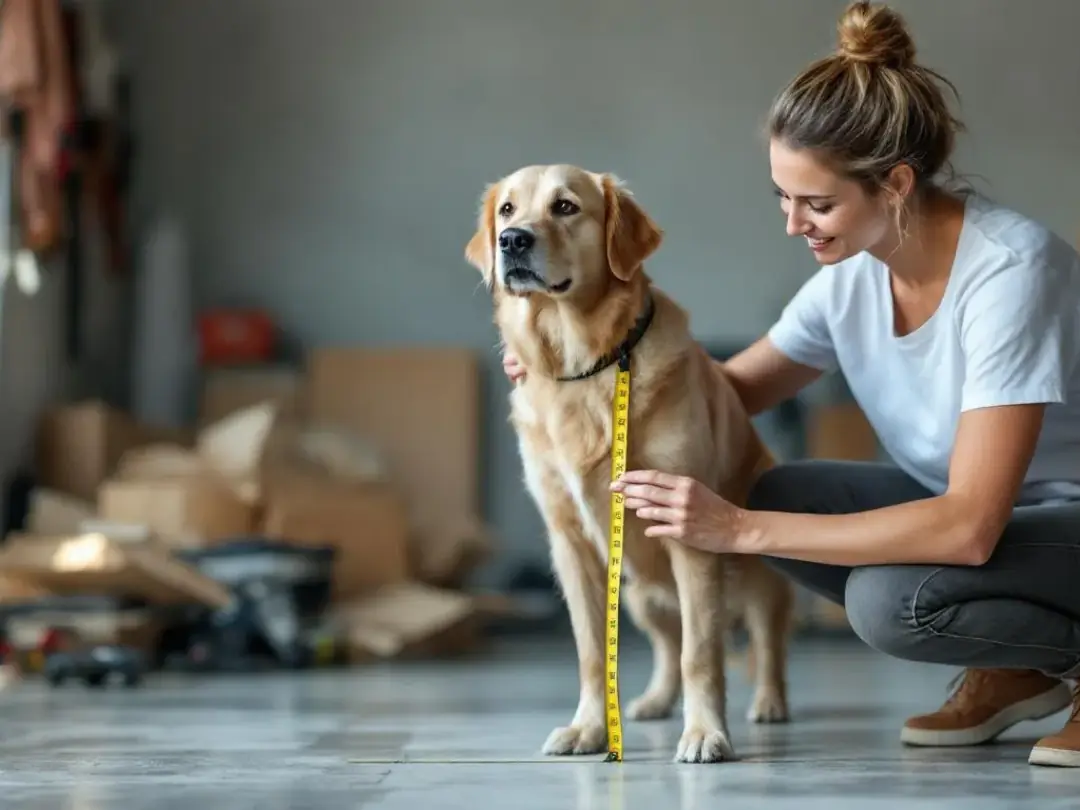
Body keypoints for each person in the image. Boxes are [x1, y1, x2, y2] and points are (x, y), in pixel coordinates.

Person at [501, 0, 1080, 768]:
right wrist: (581, 371)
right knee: (782, 494)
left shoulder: (1010, 273)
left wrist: (736, 531)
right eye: (783, 197)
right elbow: (723, 395)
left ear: (896, 184)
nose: (793, 223)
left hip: (1050, 520)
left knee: (890, 602)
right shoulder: (851, 280)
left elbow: (969, 526)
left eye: (817, 203)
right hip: (1001, 527)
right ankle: (1017, 670)